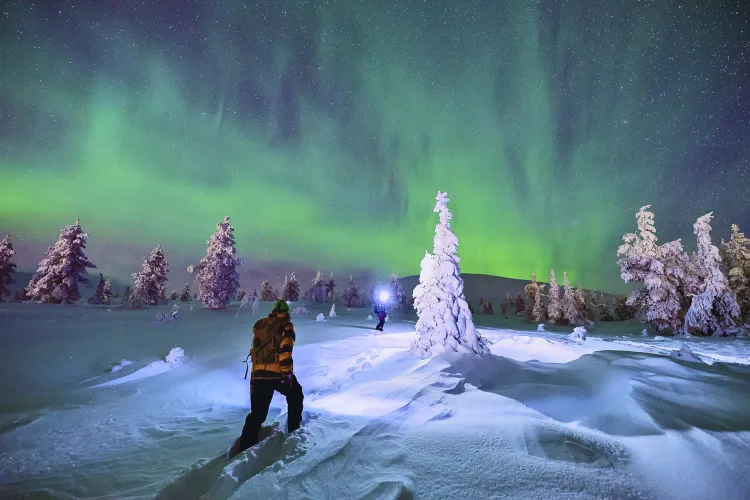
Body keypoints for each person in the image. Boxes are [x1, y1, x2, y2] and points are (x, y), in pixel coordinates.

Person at [230, 300, 304, 457]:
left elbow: (255, 355)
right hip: (276, 373)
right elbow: (285, 351)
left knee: (257, 413)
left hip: (259, 375)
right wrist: (286, 374)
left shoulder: (264, 328)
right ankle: (294, 430)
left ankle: (245, 447)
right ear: (287, 312)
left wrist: (254, 380)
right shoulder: (286, 326)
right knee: (296, 394)